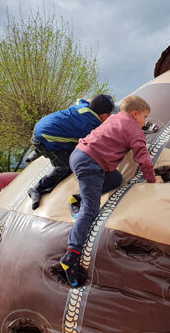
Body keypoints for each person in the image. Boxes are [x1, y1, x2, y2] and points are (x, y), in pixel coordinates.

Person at [60, 95, 163, 287]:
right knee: (91, 209)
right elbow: (143, 157)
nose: (145, 121)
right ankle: (71, 256)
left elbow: (118, 135)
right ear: (134, 114)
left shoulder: (115, 118)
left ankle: (78, 199)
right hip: (91, 163)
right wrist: (152, 178)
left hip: (79, 155)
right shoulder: (134, 128)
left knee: (116, 178)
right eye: (144, 117)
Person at [27, 94, 116, 210]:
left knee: (68, 135)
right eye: (109, 116)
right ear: (104, 116)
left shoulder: (85, 106)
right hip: (45, 138)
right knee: (66, 166)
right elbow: (96, 146)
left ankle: (37, 151)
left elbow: (81, 100)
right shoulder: (89, 125)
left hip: (42, 125)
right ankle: (37, 188)